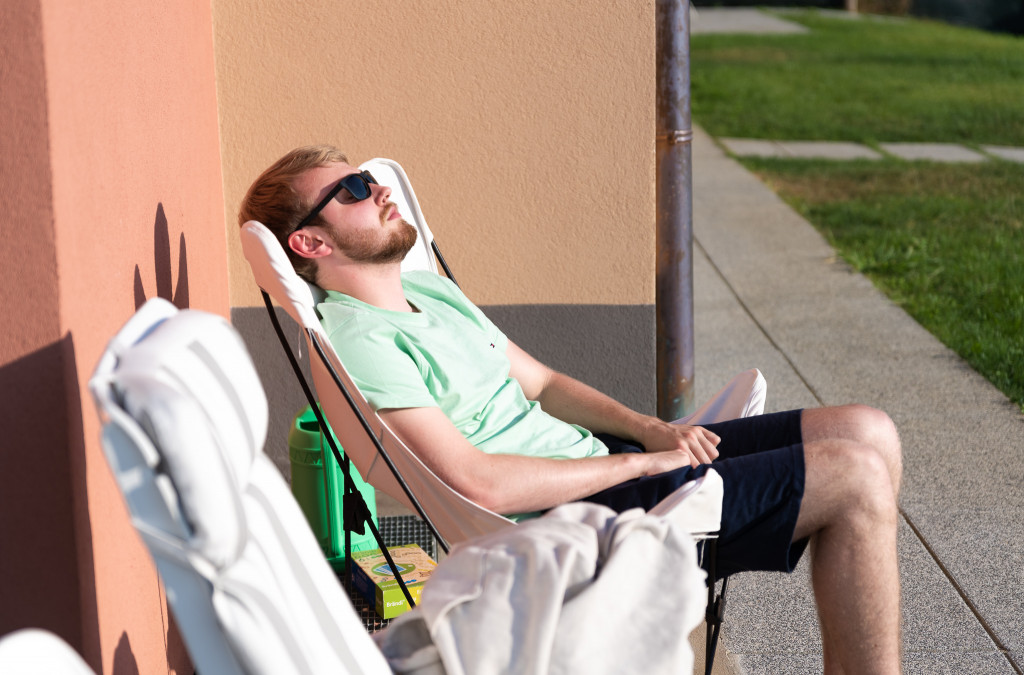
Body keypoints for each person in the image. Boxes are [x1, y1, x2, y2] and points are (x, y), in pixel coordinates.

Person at [240, 145, 903, 674]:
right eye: (352, 190)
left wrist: (652, 430)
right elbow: (479, 481)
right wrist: (629, 465)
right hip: (576, 524)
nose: (377, 188)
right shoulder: (360, 341)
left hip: (618, 472)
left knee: (870, 429)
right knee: (856, 475)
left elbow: (544, 383)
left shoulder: (427, 293)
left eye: (367, 177)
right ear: (310, 243)